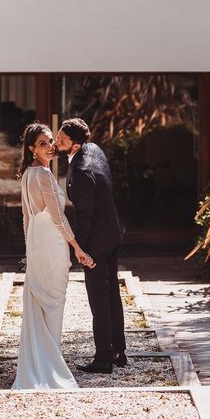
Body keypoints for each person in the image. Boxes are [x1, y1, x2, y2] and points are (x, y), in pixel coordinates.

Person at [11, 122, 95, 389]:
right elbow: (58, 218)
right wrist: (78, 248)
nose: (49, 147)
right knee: (55, 299)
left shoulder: (26, 174)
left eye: (50, 141)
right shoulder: (44, 176)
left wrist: (29, 250)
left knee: (42, 298)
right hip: (50, 242)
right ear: (32, 149)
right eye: (43, 144)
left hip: (37, 241)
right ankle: (50, 364)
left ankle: (42, 359)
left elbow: (26, 217)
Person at [55, 118, 126, 374]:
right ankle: (119, 351)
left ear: (75, 145)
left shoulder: (82, 173)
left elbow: (85, 217)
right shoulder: (94, 149)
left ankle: (103, 359)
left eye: (62, 141)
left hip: (97, 240)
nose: (56, 142)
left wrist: (81, 251)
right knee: (112, 295)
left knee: (99, 300)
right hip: (113, 232)